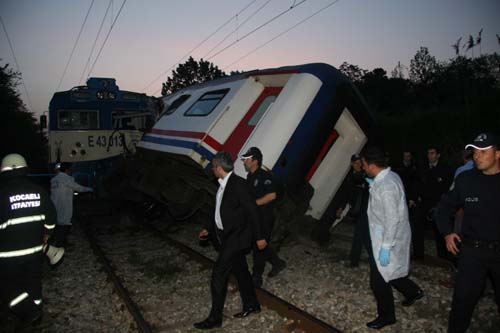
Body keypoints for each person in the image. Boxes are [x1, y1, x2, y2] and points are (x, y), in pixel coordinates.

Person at [435, 132, 500, 333]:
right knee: (462, 302)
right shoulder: (466, 179)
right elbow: (443, 209)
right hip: (472, 252)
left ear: (498, 154)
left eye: (483, 151)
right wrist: (447, 233)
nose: (477, 156)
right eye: (474, 151)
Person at [194, 151, 262, 330]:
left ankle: (215, 318)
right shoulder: (223, 184)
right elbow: (219, 210)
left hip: (237, 238)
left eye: (213, 167)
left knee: (218, 275)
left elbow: (253, 211)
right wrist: (208, 228)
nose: (212, 170)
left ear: (218, 167)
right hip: (226, 237)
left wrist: (260, 237)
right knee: (241, 271)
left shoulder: (238, 184)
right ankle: (252, 304)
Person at [361, 147, 424, 330]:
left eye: (364, 164)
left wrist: (386, 246)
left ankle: (387, 316)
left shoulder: (386, 186)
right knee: (391, 270)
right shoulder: (390, 177)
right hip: (387, 234)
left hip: (386, 238)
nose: (363, 167)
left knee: (378, 280)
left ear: (372, 166)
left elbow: (392, 218)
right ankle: (413, 292)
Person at [0, 154, 56, 328]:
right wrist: (46, 233)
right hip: (34, 250)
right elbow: (51, 218)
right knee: (33, 282)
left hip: (8, 254)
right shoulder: (39, 191)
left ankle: (30, 312)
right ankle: (36, 315)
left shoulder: (2, 195)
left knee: (7, 286)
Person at [240, 147, 286, 287]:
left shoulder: (264, 176)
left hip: (264, 218)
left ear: (255, 161)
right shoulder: (250, 177)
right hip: (254, 217)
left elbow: (272, 195)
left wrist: (253, 204)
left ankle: (256, 277)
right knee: (259, 243)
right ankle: (278, 263)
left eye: (247, 159)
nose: (244, 162)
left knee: (258, 247)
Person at [414, 145, 453, 259]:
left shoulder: (445, 169)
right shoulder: (423, 168)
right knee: (417, 226)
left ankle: (443, 257)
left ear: (438, 155)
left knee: (439, 230)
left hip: (438, 204)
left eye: (432, 153)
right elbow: (418, 184)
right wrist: (415, 197)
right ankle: (418, 254)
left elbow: (447, 187)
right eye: (428, 153)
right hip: (424, 203)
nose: (430, 155)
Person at [334, 154, 369, 267]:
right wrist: (341, 207)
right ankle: (360, 259)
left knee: (360, 235)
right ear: (352, 164)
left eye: (360, 163)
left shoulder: (366, 176)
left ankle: (354, 261)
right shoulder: (349, 177)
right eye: (356, 163)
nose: (358, 165)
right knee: (364, 236)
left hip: (366, 210)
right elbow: (345, 194)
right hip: (357, 210)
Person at [50, 162, 92, 248]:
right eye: (70, 169)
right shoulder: (68, 179)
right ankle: (60, 245)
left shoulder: (54, 179)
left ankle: (60, 243)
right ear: (67, 170)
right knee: (65, 225)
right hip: (65, 205)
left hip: (55, 205)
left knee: (57, 225)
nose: (71, 171)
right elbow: (79, 188)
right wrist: (89, 189)